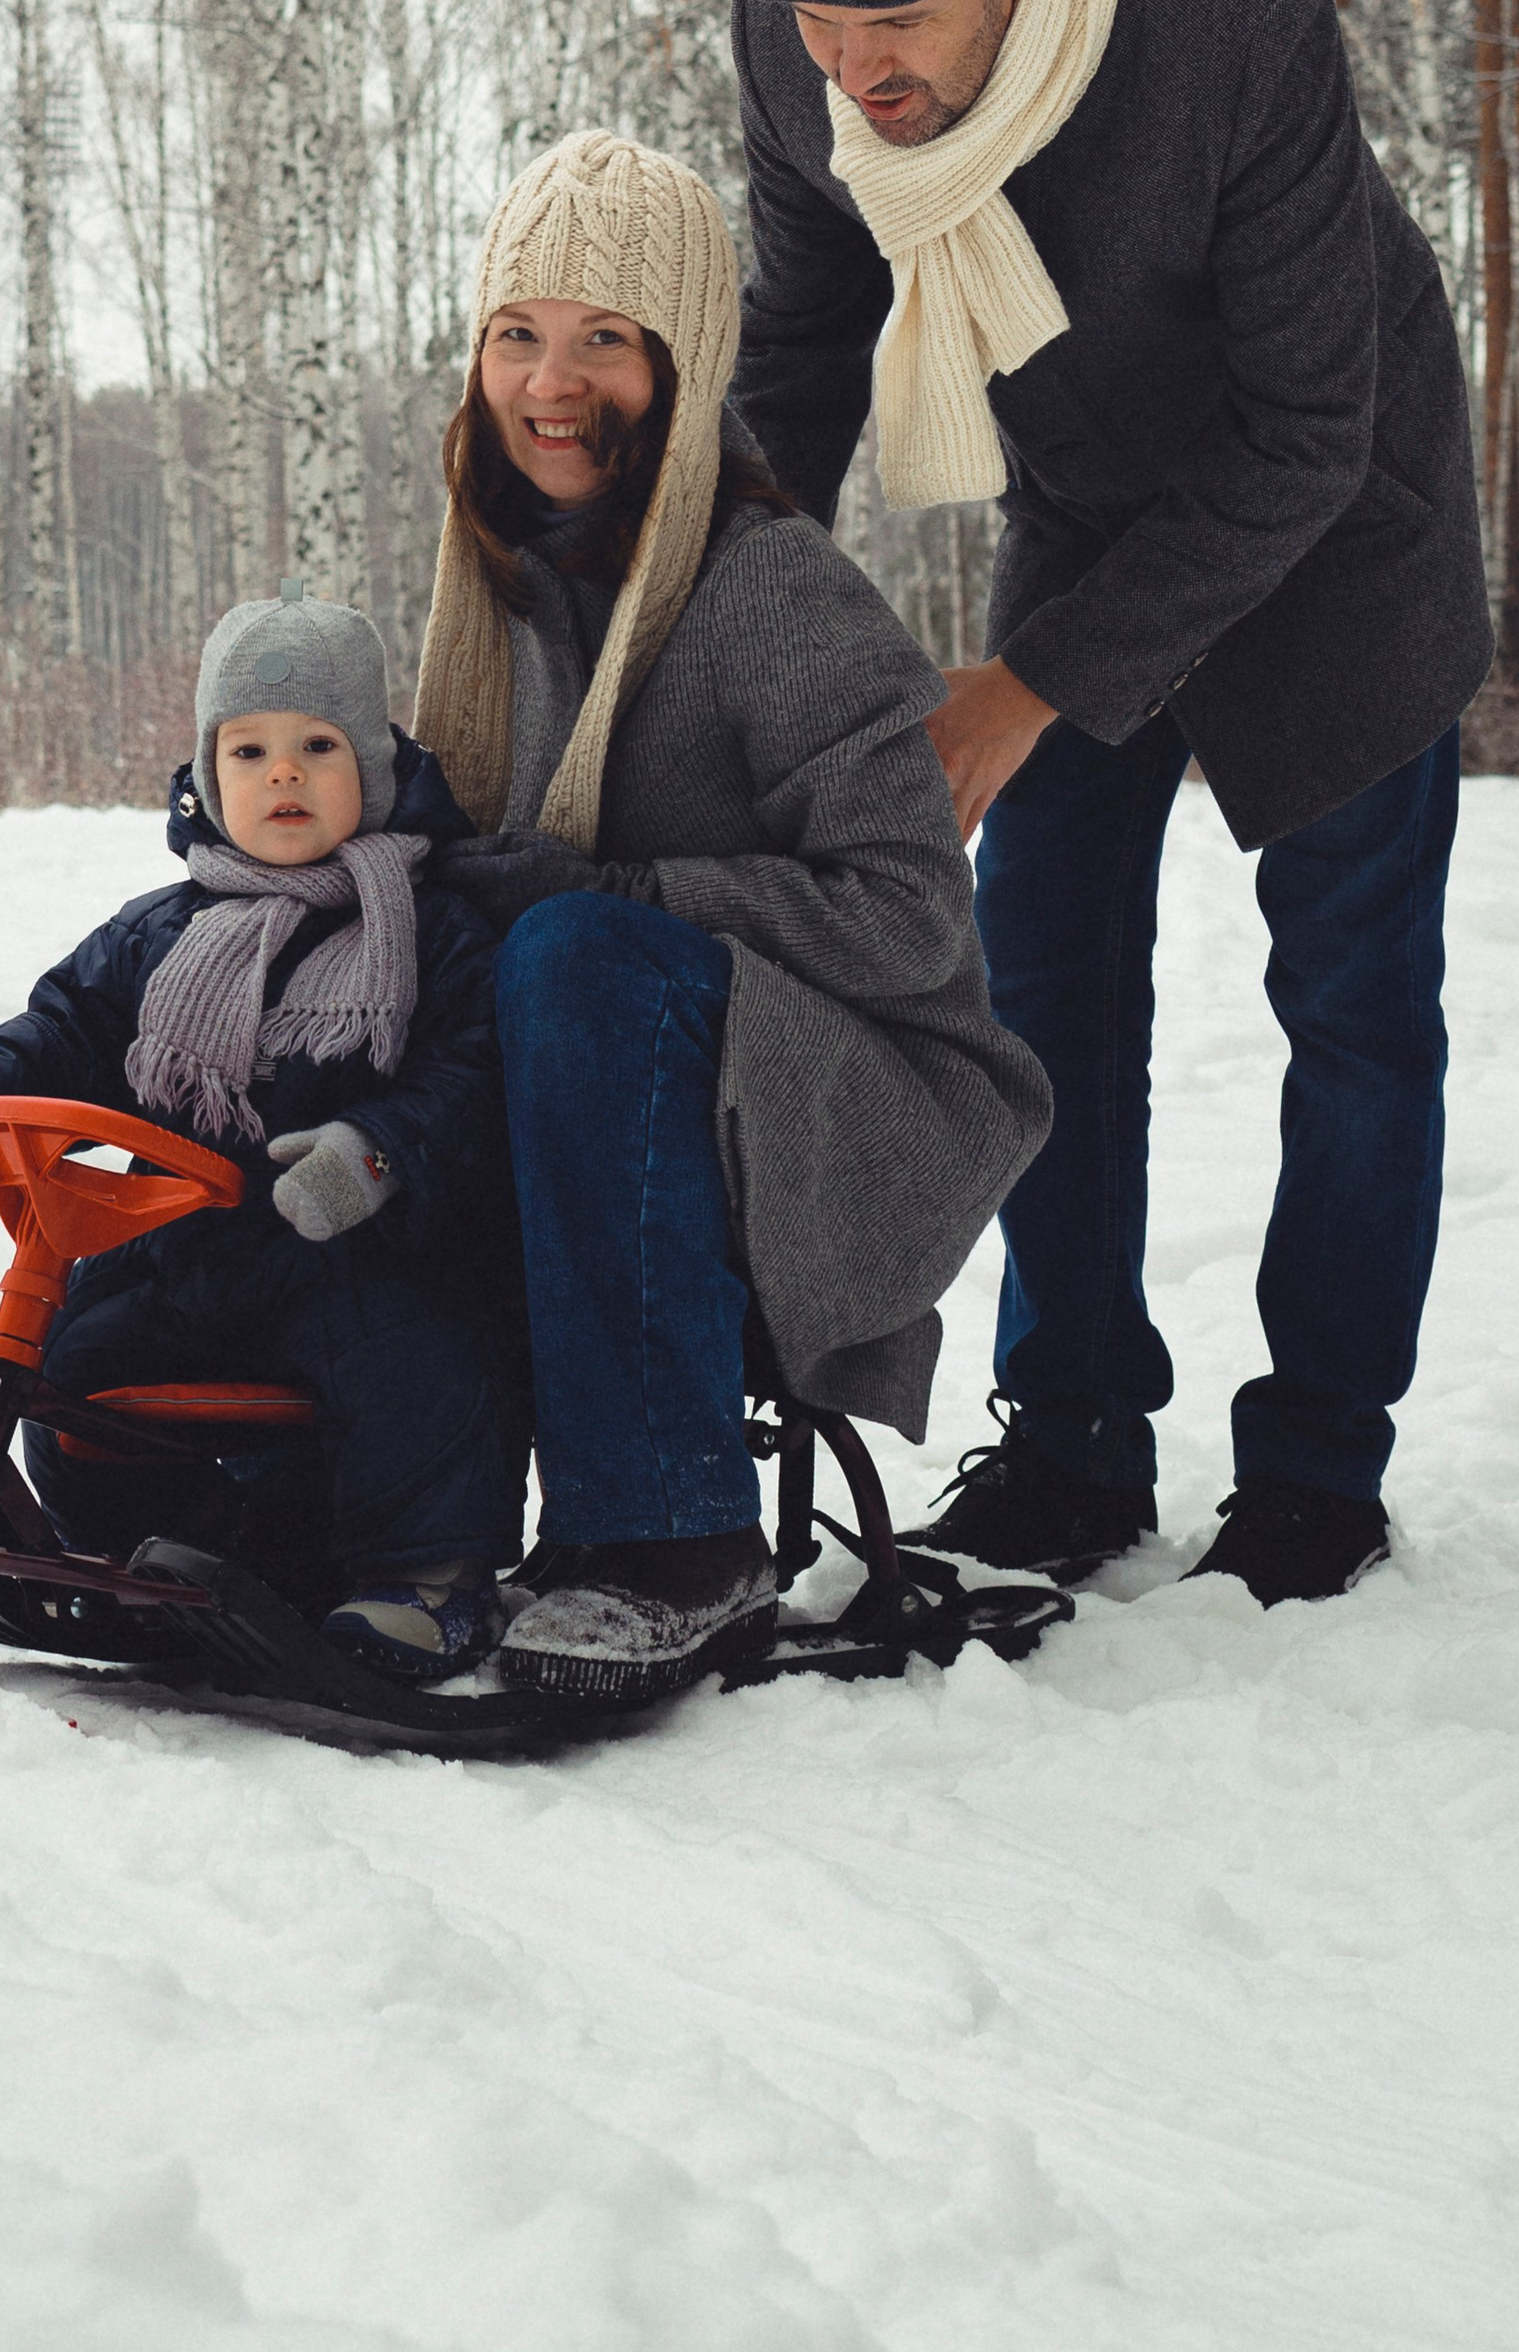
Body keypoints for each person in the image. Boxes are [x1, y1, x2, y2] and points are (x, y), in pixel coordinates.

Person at [727, 0, 1492, 1606]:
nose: (854, 72)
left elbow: (1311, 428)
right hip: (1087, 504)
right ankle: (1068, 1441)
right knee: (1045, 985)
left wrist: (1029, 683)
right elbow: (806, 352)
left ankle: (1319, 1469)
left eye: (891, 22)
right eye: (821, 29)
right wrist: (725, 629)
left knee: (1358, 1008)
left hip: (1341, 522)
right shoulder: (806, 55)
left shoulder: (1237, 24)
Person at [413, 127, 1052, 1706]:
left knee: (570, 953)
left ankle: (671, 1544)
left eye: (605, 341)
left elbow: (912, 918)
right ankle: (360, 1514)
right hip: (634, 1087)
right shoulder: (495, 596)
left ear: (683, 371)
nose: (551, 384)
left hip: (850, 1099)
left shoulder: (766, 586)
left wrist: (624, 894)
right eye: (520, 334)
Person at [0, 589, 523, 1683]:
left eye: (318, 746)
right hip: (180, 1244)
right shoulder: (160, 931)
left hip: (356, 1247)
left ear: (373, 763)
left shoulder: (431, 931)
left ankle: (429, 1575)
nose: (283, 774)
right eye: (249, 750)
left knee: (415, 1353)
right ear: (206, 777)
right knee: (78, 1355)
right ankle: (190, 1552)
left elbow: (469, 1078)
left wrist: (372, 1152)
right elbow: (65, 1028)